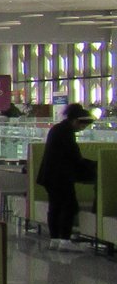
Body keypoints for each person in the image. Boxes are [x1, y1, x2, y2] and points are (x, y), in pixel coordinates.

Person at [37, 103, 99, 246]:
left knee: (55, 206)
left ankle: (55, 239)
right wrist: (93, 165)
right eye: (82, 126)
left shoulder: (57, 129)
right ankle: (64, 239)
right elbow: (74, 156)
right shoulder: (66, 133)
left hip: (49, 175)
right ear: (76, 121)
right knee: (69, 206)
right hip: (60, 177)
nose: (81, 129)